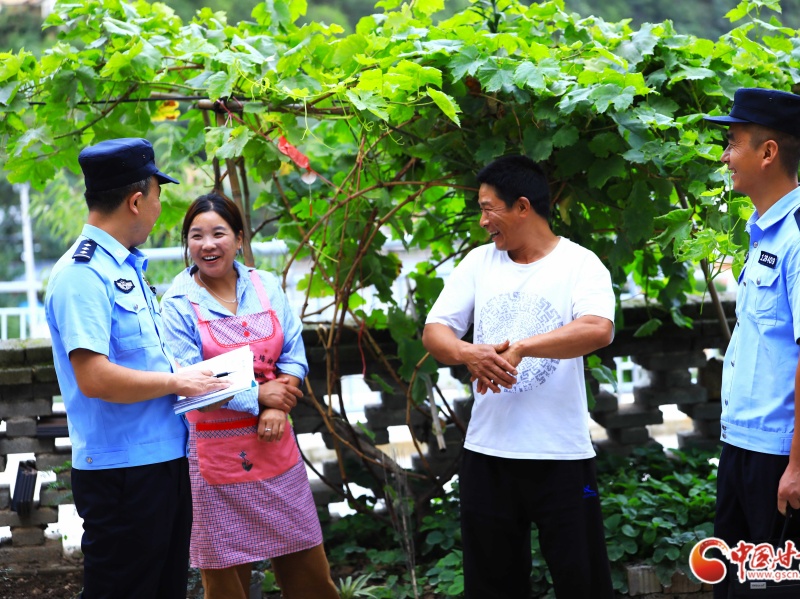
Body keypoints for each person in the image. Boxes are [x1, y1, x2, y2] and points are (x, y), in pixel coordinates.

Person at [422, 155, 616, 599]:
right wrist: (468, 352)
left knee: (582, 581)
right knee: (490, 585)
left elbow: (597, 328)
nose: (483, 221)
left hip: (561, 454)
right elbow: (436, 331)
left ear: (523, 207)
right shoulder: (478, 263)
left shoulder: (580, 264)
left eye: (489, 209)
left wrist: (523, 347)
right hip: (487, 452)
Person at [45, 138, 231, 599]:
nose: (158, 208)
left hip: (162, 462)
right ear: (135, 200)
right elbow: (94, 377)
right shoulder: (83, 275)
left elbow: (146, 359)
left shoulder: (124, 268)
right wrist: (177, 381)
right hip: (123, 473)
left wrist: (197, 383)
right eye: (158, 195)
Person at [160, 192, 339, 599]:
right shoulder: (177, 304)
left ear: (239, 238)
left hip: (274, 445)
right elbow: (190, 380)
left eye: (218, 233)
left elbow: (293, 354)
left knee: (310, 572)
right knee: (225, 583)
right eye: (196, 236)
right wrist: (260, 398)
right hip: (215, 458)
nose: (208, 245)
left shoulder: (266, 285)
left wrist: (276, 407)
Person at [703, 87, 800, 598]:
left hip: (779, 457)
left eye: (733, 143)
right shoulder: (763, 231)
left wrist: (798, 465)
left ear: (768, 152)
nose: (725, 157)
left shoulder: (797, 237)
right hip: (742, 444)